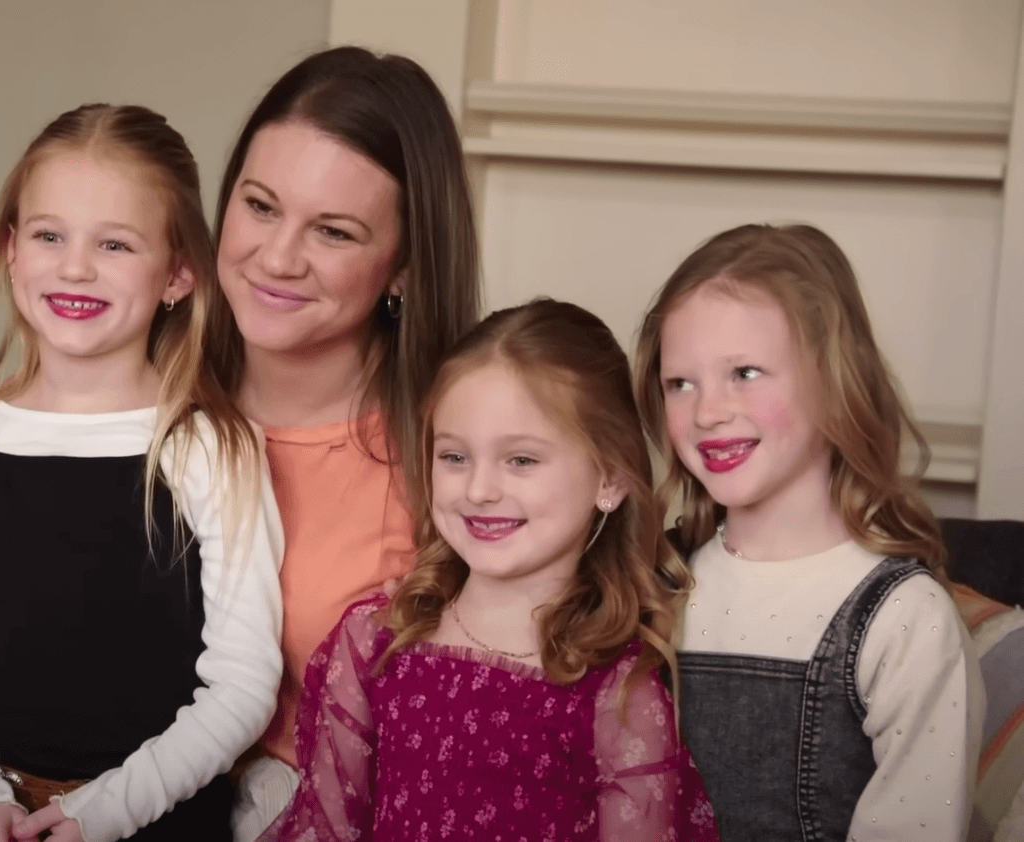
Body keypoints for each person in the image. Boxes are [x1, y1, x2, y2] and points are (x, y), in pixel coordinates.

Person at [0, 103, 282, 842]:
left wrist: (103, 814)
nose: (75, 266)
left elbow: (243, 685)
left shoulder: (216, 450)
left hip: (158, 825)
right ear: (11, 250)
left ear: (179, 272)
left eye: (115, 243)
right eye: (49, 235)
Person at [265, 299, 718, 841]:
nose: (479, 490)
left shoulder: (619, 697)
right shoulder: (373, 643)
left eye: (521, 460)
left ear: (611, 479)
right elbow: (325, 828)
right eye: (454, 457)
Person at [205, 46, 482, 835]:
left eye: (333, 231)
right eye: (261, 206)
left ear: (404, 267)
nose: (277, 257)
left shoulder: (452, 466)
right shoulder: (137, 401)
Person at [635, 222, 982, 840]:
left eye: (745, 372)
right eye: (679, 383)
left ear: (834, 381)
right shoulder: (657, 584)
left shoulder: (906, 620)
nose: (707, 411)